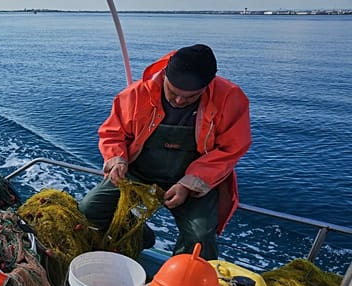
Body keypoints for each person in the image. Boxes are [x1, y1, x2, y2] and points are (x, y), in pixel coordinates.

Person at [79, 44, 251, 260]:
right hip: (138, 172)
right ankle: (140, 237)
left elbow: (231, 148)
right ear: (164, 76)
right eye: (173, 92)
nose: (179, 101)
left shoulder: (230, 99)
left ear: (208, 86)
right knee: (91, 208)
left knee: (199, 235)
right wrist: (117, 160)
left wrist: (189, 184)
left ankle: (180, 280)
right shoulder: (136, 93)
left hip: (192, 179)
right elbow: (113, 133)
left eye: (190, 97)